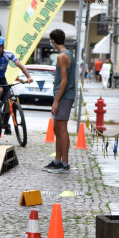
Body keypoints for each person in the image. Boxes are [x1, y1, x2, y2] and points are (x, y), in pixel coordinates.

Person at [0, 36, 33, 134]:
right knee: (0, 90)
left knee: (10, 99)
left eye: (0, 46)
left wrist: (28, 77)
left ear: (3, 46)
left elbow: (20, 65)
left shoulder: (8, 54)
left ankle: (5, 123)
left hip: (1, 78)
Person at [42, 29, 76, 174]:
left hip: (64, 96)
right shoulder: (68, 54)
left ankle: (64, 164)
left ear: (53, 41)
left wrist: (56, 101)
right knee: (57, 129)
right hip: (64, 96)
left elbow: (64, 81)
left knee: (62, 130)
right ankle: (57, 160)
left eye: (51, 40)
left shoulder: (62, 56)